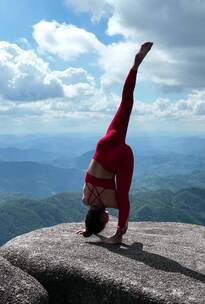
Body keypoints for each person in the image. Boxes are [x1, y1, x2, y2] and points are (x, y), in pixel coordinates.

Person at [75, 42, 153, 244]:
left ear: (102, 218)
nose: (108, 218)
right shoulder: (85, 199)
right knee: (125, 103)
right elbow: (94, 210)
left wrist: (118, 233)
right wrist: (89, 229)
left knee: (124, 194)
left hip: (120, 155)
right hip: (105, 144)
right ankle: (135, 66)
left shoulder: (112, 201)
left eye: (105, 221)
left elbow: (124, 204)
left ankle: (119, 235)